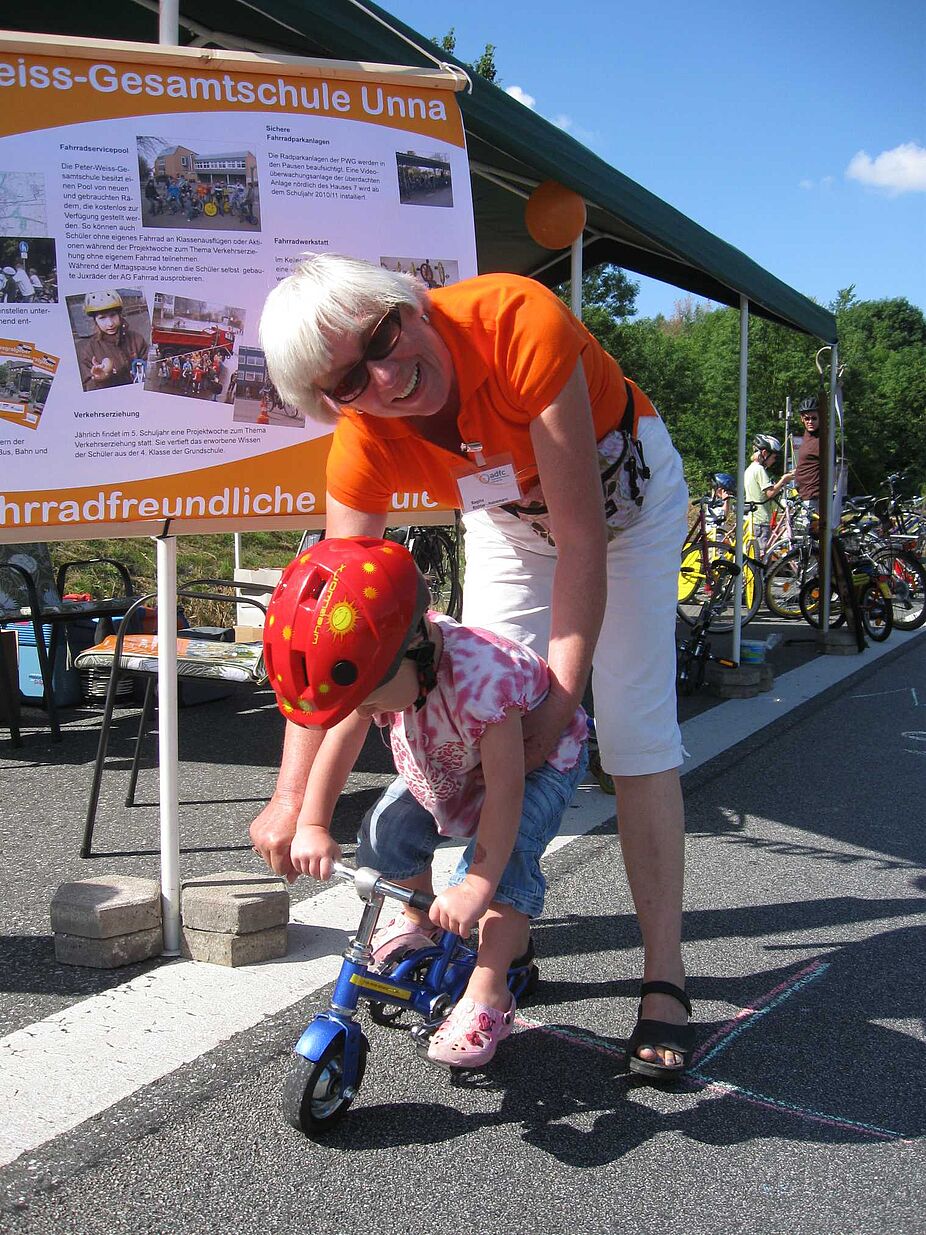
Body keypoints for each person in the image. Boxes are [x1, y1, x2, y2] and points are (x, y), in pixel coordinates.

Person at [253, 253, 694, 1079]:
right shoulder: (361, 443)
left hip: (622, 510)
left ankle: (663, 975)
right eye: (350, 381)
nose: (385, 378)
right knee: (476, 717)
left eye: (383, 337)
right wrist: (289, 797)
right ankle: (488, 947)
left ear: (413, 305)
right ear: (331, 401)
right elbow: (333, 636)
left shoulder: (517, 322)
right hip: (513, 520)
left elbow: (584, 542)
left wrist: (557, 711)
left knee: (634, 736)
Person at [263, 536, 588, 1066]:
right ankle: (421, 921)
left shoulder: (485, 679)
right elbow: (342, 736)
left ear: (415, 649)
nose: (365, 713)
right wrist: (313, 823)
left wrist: (475, 885)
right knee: (385, 832)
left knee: (505, 864)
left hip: (533, 763)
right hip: (448, 751)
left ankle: (489, 990)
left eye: (370, 700)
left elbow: (505, 792)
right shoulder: (388, 668)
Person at [76, 290, 148, 392]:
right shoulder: (89, 350)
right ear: (95, 320)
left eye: (113, 315)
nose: (110, 323)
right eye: (102, 318)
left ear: (119, 315)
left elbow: (150, 370)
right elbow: (88, 388)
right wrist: (100, 380)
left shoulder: (137, 339)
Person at [743, 434, 794, 557]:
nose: (774, 460)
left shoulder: (750, 469)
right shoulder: (759, 470)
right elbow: (770, 493)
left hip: (752, 517)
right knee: (762, 557)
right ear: (765, 453)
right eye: (774, 457)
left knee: (752, 555)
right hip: (761, 519)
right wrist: (783, 480)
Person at [793, 397, 821, 513]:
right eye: (807, 418)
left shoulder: (823, 440)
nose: (810, 422)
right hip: (802, 495)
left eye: (814, 418)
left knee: (808, 525)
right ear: (802, 419)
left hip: (813, 497)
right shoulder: (807, 436)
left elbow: (831, 469)